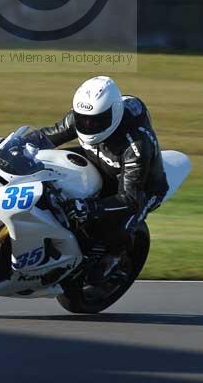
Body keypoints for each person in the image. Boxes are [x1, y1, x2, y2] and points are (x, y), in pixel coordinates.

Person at [40, 75, 168, 276]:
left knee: (116, 225)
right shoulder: (83, 114)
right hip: (99, 161)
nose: (88, 125)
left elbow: (130, 198)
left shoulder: (135, 146)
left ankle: (114, 259)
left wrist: (90, 207)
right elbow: (47, 136)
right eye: (83, 119)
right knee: (49, 163)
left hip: (140, 188)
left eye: (96, 121)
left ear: (114, 113)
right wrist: (15, 143)